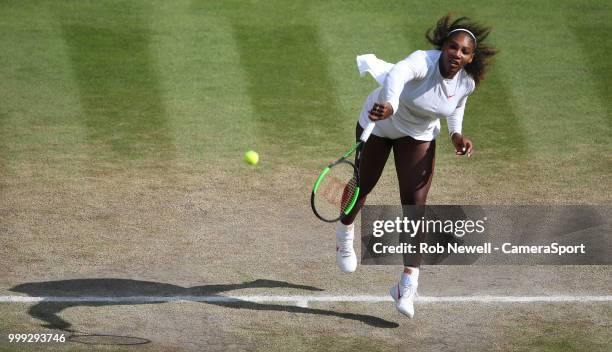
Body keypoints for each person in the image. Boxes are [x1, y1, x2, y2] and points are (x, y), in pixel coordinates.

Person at [334, 14, 498, 318]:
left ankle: (407, 284)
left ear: (471, 57)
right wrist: (392, 105)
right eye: (452, 47)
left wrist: (456, 134)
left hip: (418, 134)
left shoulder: (467, 82)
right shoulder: (423, 61)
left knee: (415, 205)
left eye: (464, 51)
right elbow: (397, 74)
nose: (457, 54)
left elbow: (456, 106)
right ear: (443, 46)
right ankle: (344, 236)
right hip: (381, 122)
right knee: (363, 183)